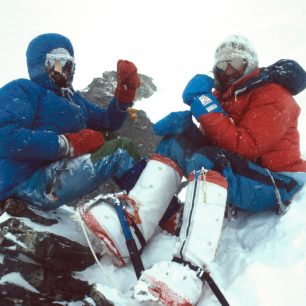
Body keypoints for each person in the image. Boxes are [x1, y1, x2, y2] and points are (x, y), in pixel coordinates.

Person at [81, 35, 306, 305]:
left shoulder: (274, 95)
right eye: (222, 65)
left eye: (236, 62)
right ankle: (134, 226)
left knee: (208, 159)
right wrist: (188, 129)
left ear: (251, 64)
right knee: (177, 143)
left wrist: (204, 104)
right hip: (248, 175)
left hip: (277, 184)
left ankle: (188, 270)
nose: (229, 70)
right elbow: (224, 143)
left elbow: (244, 145)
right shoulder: (230, 96)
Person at [0, 33, 146, 210]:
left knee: (110, 138)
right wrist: (66, 144)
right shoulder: (23, 89)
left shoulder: (74, 100)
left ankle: (150, 208)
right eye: (56, 63)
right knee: (121, 151)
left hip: (52, 174)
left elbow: (108, 122)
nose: (63, 71)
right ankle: (158, 211)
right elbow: (6, 137)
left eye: (68, 65)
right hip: (24, 182)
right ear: (40, 64)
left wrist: (125, 94)